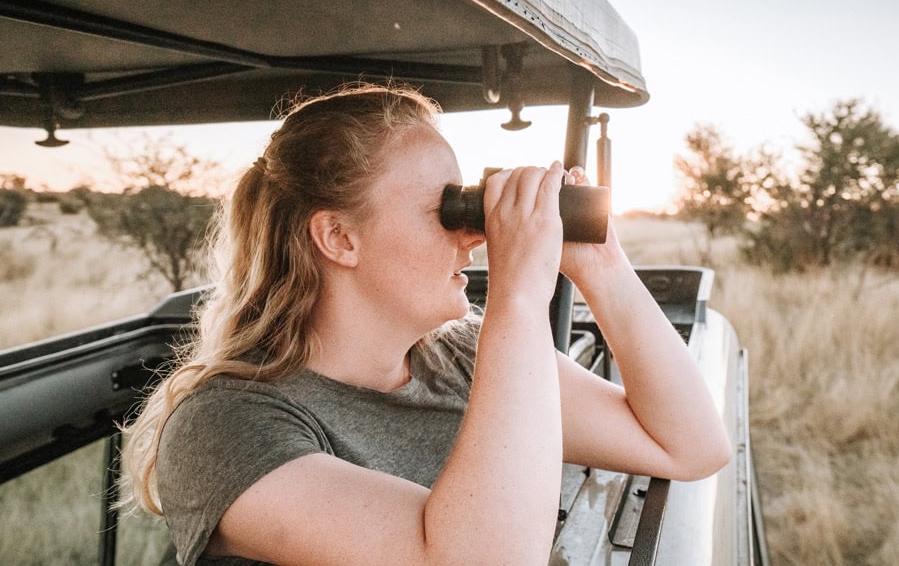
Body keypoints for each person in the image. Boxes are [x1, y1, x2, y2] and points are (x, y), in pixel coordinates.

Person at [123, 83, 731, 565]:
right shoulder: (227, 425)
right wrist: (518, 299)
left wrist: (601, 264)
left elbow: (690, 445)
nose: (472, 232)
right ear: (339, 237)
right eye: (445, 209)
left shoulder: (461, 357)